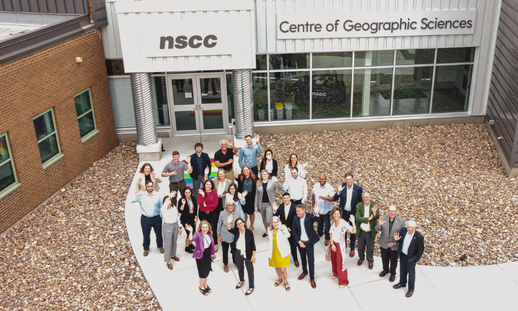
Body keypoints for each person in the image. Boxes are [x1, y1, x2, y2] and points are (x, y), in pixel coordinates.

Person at [333, 172, 363, 257]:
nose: (348, 181)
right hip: (343, 213)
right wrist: (338, 192)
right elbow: (335, 198)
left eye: (350, 179)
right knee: (343, 230)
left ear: (353, 179)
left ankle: (352, 248)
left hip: (353, 213)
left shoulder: (358, 188)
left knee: (353, 231)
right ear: (345, 180)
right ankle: (344, 244)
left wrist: (357, 213)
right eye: (347, 179)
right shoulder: (342, 186)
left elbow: (360, 202)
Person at [393, 220, 425, 298]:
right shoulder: (403, 230)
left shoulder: (419, 237)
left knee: (411, 274)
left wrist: (414, 259)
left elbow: (420, 251)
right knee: (402, 270)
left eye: (412, 227)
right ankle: (402, 283)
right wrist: (396, 240)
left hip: (411, 258)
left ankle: (411, 289)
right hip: (403, 255)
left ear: (415, 227)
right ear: (406, 226)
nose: (410, 229)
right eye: (409, 227)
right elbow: (400, 240)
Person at [131, 181, 163, 257]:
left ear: (153, 186)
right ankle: (146, 248)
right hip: (145, 219)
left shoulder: (158, 195)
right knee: (145, 234)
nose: (149, 188)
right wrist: (138, 193)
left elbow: (161, 206)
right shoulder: (141, 195)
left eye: (151, 186)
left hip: (156, 218)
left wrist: (162, 217)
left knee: (158, 233)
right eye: (148, 186)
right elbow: (132, 201)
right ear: (146, 187)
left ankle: (160, 246)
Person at [291, 204, 320, 289]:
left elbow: (317, 219)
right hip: (301, 243)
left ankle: (312, 278)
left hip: (309, 243)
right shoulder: (295, 218)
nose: (297, 213)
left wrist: (317, 213)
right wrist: (299, 242)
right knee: (303, 258)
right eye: (296, 211)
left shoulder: (310, 216)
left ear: (304, 210)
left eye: (298, 211)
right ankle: (304, 271)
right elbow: (294, 231)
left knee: (311, 261)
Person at [185, 221, 217, 296]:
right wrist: (191, 231)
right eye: (203, 227)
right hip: (200, 255)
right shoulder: (197, 234)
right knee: (202, 272)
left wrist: (213, 253)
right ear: (201, 228)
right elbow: (190, 239)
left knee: (207, 270)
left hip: (207, 254)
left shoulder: (209, 234)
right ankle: (201, 286)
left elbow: (211, 245)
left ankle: (205, 284)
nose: (205, 229)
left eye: (206, 227)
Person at [375, 205, 405, 282]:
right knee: (384, 259)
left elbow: (402, 235)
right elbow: (377, 229)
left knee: (393, 260)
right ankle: (385, 270)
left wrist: (395, 243)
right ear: (388, 211)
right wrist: (379, 225)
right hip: (384, 243)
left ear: (396, 211)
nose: (392, 212)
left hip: (394, 245)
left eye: (393, 211)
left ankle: (392, 273)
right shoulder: (383, 218)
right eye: (390, 211)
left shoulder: (401, 221)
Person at [228, 217, 256, 295]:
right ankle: (241, 280)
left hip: (247, 253)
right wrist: (229, 222)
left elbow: (253, 245)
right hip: (238, 252)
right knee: (240, 267)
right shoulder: (236, 231)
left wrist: (253, 256)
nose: (240, 225)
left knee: (250, 269)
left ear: (244, 223)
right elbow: (229, 229)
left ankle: (251, 286)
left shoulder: (249, 232)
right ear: (236, 226)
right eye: (238, 224)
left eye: (241, 223)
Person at [329, 207, 356, 288]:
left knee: (340, 262)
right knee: (333, 260)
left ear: (340, 214)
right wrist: (332, 243)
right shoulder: (333, 221)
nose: (336, 215)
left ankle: (343, 281)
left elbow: (353, 231)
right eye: (334, 213)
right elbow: (331, 232)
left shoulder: (343, 222)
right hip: (333, 243)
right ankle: (336, 273)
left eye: (337, 213)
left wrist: (353, 223)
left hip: (340, 245)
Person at [273, 192, 299, 267]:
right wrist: (275, 210)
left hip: (291, 229)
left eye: (287, 198)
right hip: (282, 230)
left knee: (293, 245)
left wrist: (290, 228)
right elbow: (275, 216)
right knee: (281, 244)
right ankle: (282, 257)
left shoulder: (294, 207)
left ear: (290, 198)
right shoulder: (281, 206)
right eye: (284, 198)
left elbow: (296, 220)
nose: (286, 199)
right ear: (283, 199)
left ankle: (295, 259)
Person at [355, 192, 379, 269]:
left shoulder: (374, 204)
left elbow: (377, 216)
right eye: (364, 197)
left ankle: (370, 260)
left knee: (370, 247)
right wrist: (368, 219)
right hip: (361, 230)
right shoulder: (359, 205)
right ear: (362, 198)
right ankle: (361, 258)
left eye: (367, 197)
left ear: (370, 198)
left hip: (370, 231)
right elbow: (357, 218)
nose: (365, 198)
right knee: (360, 246)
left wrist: (374, 213)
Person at [255, 170, 283, 238]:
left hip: (270, 204)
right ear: (261, 175)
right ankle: (267, 230)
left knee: (269, 219)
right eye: (263, 174)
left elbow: (280, 188)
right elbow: (256, 195)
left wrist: (277, 181)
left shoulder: (272, 182)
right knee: (264, 219)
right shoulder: (258, 183)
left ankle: (272, 231)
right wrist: (255, 205)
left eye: (265, 174)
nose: (264, 175)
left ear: (268, 175)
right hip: (261, 204)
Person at [311, 173, 336, 246]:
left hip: (326, 210)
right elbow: (313, 194)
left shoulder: (329, 188)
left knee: (327, 225)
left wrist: (324, 198)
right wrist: (313, 204)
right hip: (318, 209)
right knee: (319, 223)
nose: (321, 181)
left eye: (323, 179)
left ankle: (327, 238)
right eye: (320, 179)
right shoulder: (316, 185)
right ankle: (320, 234)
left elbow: (333, 198)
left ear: (326, 179)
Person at [268, 216, 291, 291]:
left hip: (282, 251)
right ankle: (279, 279)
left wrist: (281, 229)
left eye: (276, 222)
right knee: (276, 267)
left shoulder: (283, 227)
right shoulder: (269, 229)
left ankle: (286, 281)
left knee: (283, 269)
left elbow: (288, 235)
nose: (275, 223)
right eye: (274, 222)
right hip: (274, 251)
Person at [161, 192, 183, 270]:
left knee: (174, 241)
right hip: (168, 226)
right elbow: (164, 207)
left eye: (170, 200)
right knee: (168, 243)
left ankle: (173, 255)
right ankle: (168, 261)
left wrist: (180, 227)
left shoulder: (174, 208)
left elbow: (177, 218)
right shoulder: (163, 209)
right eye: (167, 201)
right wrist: (169, 196)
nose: (169, 202)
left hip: (174, 225)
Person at [217, 202, 241, 273]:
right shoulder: (222, 213)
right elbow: (219, 224)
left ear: (234, 206)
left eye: (231, 205)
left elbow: (239, 223)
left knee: (235, 249)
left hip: (234, 235)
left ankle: (235, 262)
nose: (230, 206)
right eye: (228, 205)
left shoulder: (237, 213)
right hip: (225, 235)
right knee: (225, 250)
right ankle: (225, 264)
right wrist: (218, 235)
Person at [198, 179, 220, 252]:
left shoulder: (214, 193)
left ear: (212, 186)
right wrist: (204, 196)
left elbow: (215, 205)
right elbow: (201, 205)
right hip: (203, 214)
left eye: (209, 184)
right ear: (204, 185)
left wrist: (206, 205)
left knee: (213, 228)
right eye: (206, 184)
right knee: (204, 228)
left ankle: (215, 243)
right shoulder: (201, 193)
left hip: (212, 213)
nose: (208, 186)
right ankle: (204, 242)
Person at [236, 165, 257, 230]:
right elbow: (235, 177)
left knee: (251, 213)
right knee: (244, 212)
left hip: (251, 197)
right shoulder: (240, 177)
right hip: (243, 197)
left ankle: (252, 225)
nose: (246, 171)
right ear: (242, 171)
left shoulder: (254, 177)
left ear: (249, 170)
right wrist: (236, 169)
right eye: (244, 170)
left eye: (247, 170)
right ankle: (245, 225)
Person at [179, 187, 197, 254]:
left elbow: (195, 208)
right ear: (184, 193)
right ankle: (187, 246)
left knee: (193, 232)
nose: (187, 194)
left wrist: (196, 217)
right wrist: (183, 204)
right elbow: (180, 210)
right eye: (186, 193)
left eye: (189, 192)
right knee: (189, 233)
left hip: (192, 218)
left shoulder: (193, 199)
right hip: (185, 219)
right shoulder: (181, 200)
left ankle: (190, 244)